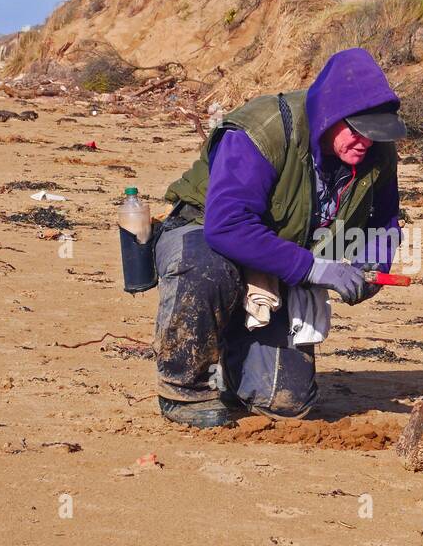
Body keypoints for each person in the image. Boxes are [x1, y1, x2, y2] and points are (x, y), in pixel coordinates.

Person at [154, 47, 405, 427]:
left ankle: (234, 360)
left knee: (287, 404)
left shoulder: (374, 152)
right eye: (357, 132)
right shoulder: (264, 129)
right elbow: (226, 226)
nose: (365, 143)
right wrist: (315, 268)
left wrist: (372, 263)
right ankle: (183, 389)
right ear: (330, 116)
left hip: (279, 264)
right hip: (205, 236)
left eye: (374, 135)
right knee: (205, 266)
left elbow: (384, 219)